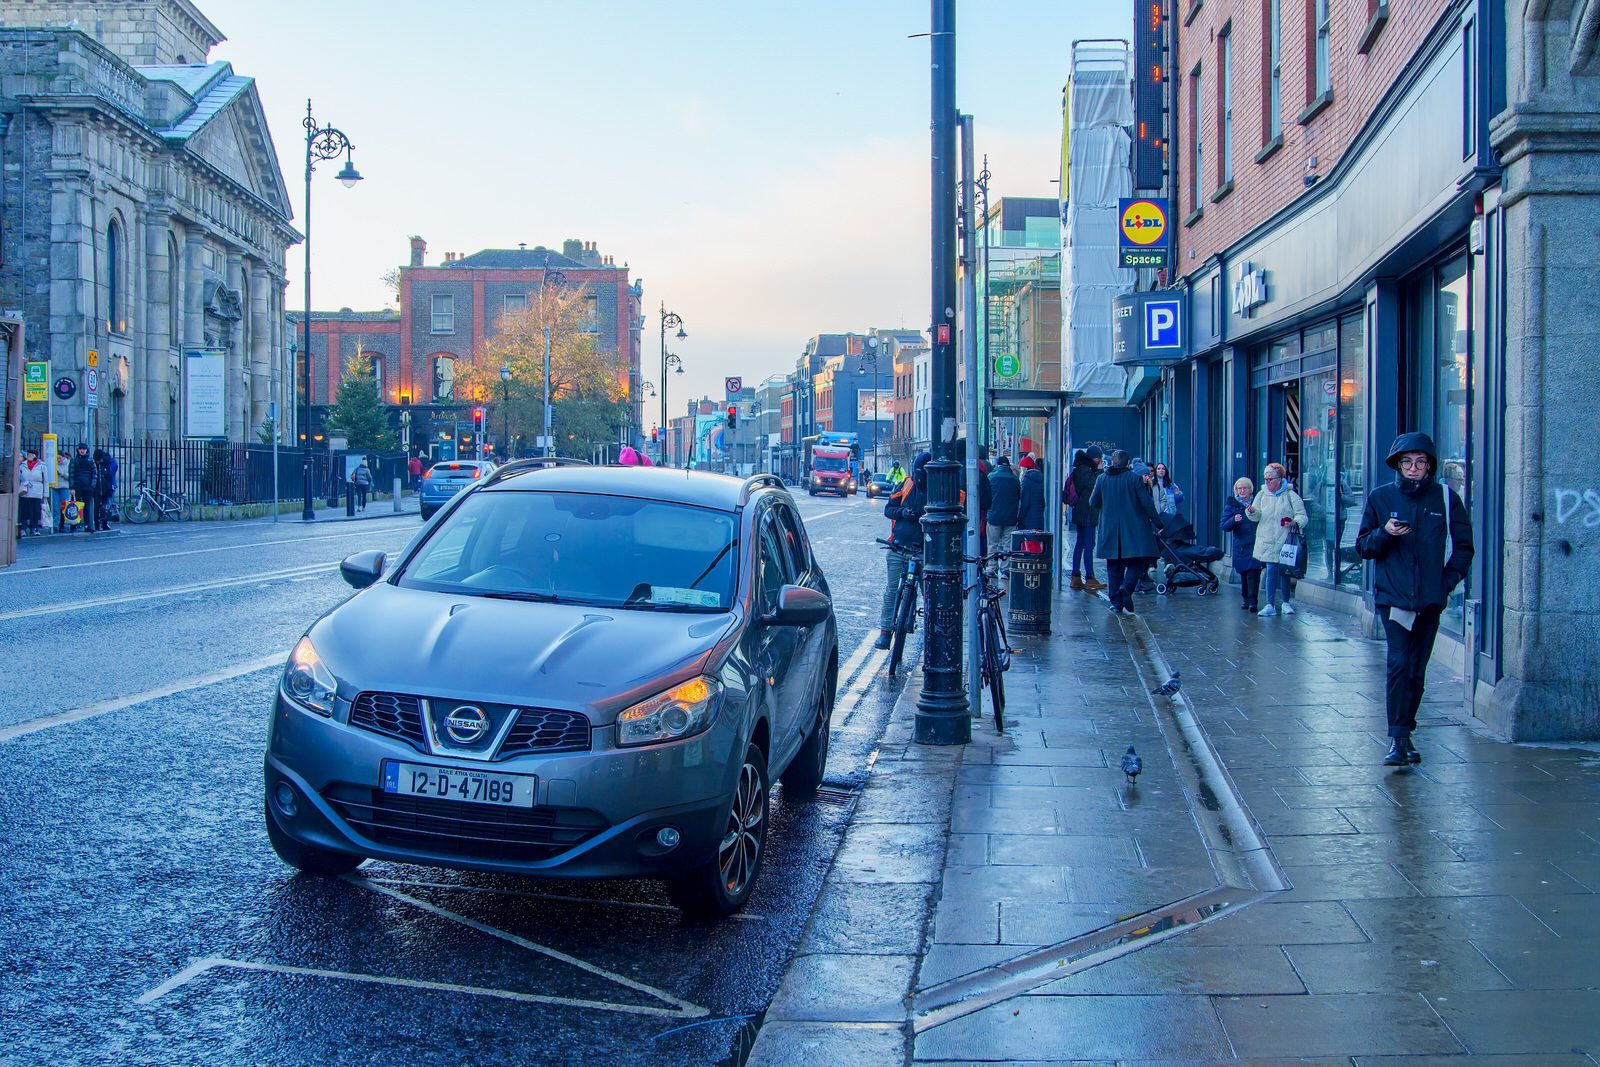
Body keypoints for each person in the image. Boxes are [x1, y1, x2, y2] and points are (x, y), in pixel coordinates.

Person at [1357, 432, 1473, 767]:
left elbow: (1465, 548)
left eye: (1420, 462)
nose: (1413, 468)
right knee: (1398, 664)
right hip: (1393, 600)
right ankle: (1397, 738)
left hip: (1430, 601)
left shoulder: (1446, 500)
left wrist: (1445, 584)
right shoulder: (1381, 498)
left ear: (1430, 466)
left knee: (1417, 670)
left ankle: (1407, 731)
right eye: (1407, 462)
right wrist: (1385, 533)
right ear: (1397, 464)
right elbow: (1364, 547)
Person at [1089, 449, 1160, 614]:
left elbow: (1093, 502)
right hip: (1133, 530)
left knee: (1114, 566)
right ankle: (1126, 587)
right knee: (1136, 562)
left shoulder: (1102, 479)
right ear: (1128, 464)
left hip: (1109, 530)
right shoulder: (1134, 479)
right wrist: (1158, 523)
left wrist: (1106, 510)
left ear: (1112, 462)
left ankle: (1116, 603)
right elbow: (1147, 504)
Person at [876, 450, 930, 650]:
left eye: (922, 477)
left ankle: (933, 635)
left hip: (924, 550)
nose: (919, 480)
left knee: (930, 594)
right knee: (891, 591)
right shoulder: (906, 484)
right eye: (917, 476)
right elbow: (888, 509)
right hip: (898, 546)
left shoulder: (939, 489)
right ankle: (885, 632)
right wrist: (903, 513)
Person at [1246, 461, 1308, 617]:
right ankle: (1270, 604)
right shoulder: (1261, 495)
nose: (1267, 482)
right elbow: (1256, 516)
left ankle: (1286, 602)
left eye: (1270, 479)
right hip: (1267, 540)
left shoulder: (1291, 496)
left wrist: (1294, 522)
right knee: (1271, 570)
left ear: (1280, 479)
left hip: (1285, 540)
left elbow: (1302, 516)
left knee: (1285, 572)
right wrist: (1252, 512)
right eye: (1265, 479)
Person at [1221, 477, 1263, 612]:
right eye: (1240, 488)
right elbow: (1224, 526)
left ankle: (1253, 601)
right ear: (1236, 491)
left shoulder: (1258, 502)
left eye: (1245, 488)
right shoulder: (1232, 505)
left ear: (1250, 490)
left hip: (1256, 543)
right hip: (1241, 546)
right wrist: (1234, 520)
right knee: (1244, 574)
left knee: (1254, 573)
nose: (1243, 491)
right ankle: (1246, 599)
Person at [1067, 446, 1105, 590]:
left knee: (1080, 544)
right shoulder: (1085, 470)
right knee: (1088, 545)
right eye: (1098, 458)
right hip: (1087, 512)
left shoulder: (1080, 468)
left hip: (1080, 512)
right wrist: (1100, 471)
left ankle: (1075, 576)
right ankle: (1089, 577)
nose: (1099, 461)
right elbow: (1094, 485)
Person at [986, 454, 1020, 576]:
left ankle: (991, 568)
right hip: (1010, 517)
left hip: (994, 516)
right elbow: (1018, 496)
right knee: (1007, 544)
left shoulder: (991, 477)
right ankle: (1005, 569)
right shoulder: (1015, 479)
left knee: (992, 544)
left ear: (998, 465)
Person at [68, 443, 99, 534]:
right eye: (80, 449)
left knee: (87, 507)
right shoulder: (74, 460)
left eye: (84, 449)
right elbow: (71, 475)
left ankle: (87, 525)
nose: (82, 451)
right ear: (78, 450)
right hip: (77, 486)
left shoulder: (90, 460)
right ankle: (73, 525)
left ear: (86, 450)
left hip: (87, 486)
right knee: (75, 506)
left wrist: (92, 486)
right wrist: (72, 487)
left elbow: (94, 474)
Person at [17, 447, 47, 535]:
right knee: (24, 510)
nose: (29, 456)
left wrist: (45, 494)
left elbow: (45, 480)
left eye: (31, 454)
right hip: (25, 491)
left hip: (37, 491)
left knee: (36, 511)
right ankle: (23, 528)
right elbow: (18, 479)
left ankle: (34, 528)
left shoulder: (42, 466)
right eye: (28, 454)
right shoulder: (22, 465)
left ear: (35, 456)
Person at [1018, 453, 1045, 531]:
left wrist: (1020, 518)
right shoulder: (1041, 478)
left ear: (1025, 469)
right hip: (1039, 518)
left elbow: (1025, 502)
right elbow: (1043, 503)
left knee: (1029, 542)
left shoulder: (1026, 480)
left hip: (1028, 519)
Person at [93, 448, 116, 530]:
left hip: (105, 489)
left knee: (105, 508)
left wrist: (110, 489)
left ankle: (104, 523)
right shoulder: (94, 465)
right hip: (96, 490)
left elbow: (110, 478)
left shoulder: (106, 465)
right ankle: (96, 524)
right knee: (96, 508)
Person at [52, 450, 71, 530]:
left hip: (65, 487)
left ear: (63, 457)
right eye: (56, 458)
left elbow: (72, 476)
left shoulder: (69, 464)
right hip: (55, 486)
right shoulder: (54, 464)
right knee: (55, 507)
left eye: (59, 458)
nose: (58, 460)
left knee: (65, 506)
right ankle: (55, 524)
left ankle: (65, 525)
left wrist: (63, 475)